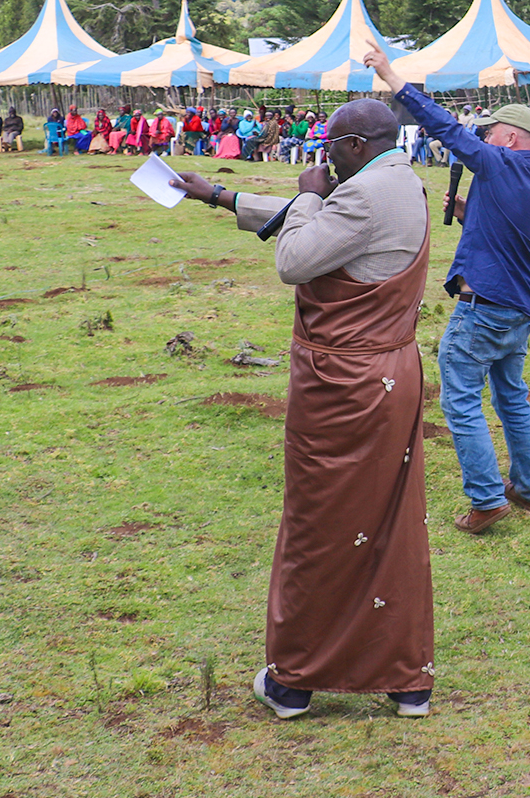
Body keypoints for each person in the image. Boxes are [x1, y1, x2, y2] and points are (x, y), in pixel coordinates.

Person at [167, 97, 435, 721]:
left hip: (343, 384)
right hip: (391, 376)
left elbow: (297, 255)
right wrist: (221, 197)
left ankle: (294, 681)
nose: (324, 159)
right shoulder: (401, 182)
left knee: (319, 523)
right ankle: (406, 681)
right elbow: (321, 225)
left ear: (358, 145)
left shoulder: (358, 195)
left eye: (331, 147)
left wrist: (309, 192)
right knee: (391, 523)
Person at [368, 49, 530, 537]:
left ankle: (488, 499)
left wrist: (394, 79)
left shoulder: (501, 164)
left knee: (461, 402)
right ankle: (529, 488)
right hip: (517, 309)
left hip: (483, 310)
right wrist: (472, 209)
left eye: (490, 134)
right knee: (512, 397)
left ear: (510, 138)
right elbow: (509, 236)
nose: (483, 140)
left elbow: (448, 130)